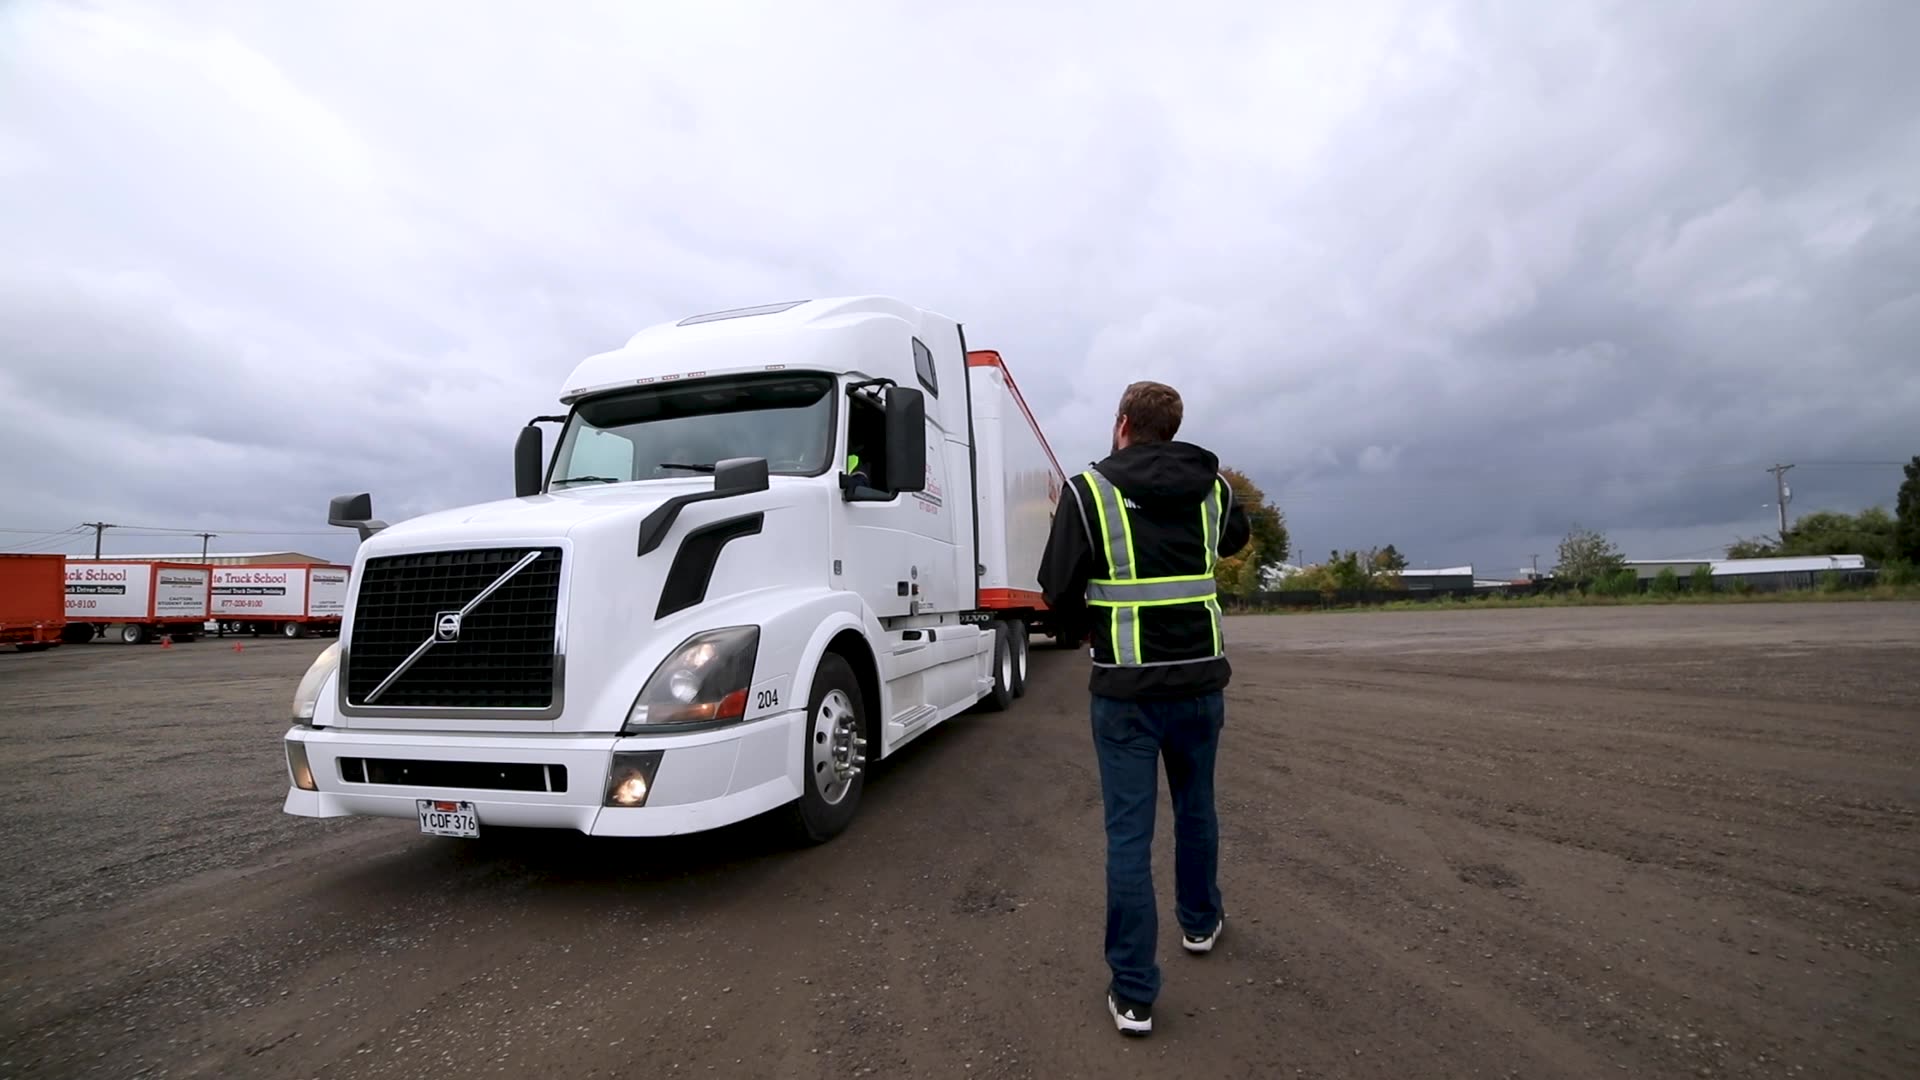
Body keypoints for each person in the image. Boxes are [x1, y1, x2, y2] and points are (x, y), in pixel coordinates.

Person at [1038, 379, 1251, 1037]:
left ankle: (1133, 995)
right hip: (1199, 686)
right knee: (1197, 810)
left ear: (1123, 423)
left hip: (1126, 692)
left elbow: (1054, 587)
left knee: (1129, 835)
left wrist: (1085, 632)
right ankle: (1200, 923)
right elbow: (1235, 541)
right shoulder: (1213, 489)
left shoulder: (1088, 490)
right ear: (1174, 426)